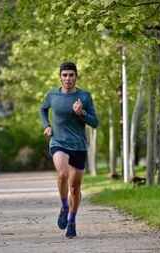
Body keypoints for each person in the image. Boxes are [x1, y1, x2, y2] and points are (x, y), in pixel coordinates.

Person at [39, 62, 98, 238]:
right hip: (58, 142)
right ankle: (64, 207)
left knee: (75, 187)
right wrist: (47, 125)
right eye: (64, 75)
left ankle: (72, 220)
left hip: (78, 145)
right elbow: (43, 109)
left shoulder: (84, 96)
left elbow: (95, 123)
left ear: (76, 76)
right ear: (60, 77)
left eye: (71, 75)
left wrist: (82, 113)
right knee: (63, 174)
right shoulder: (52, 94)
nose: (68, 78)